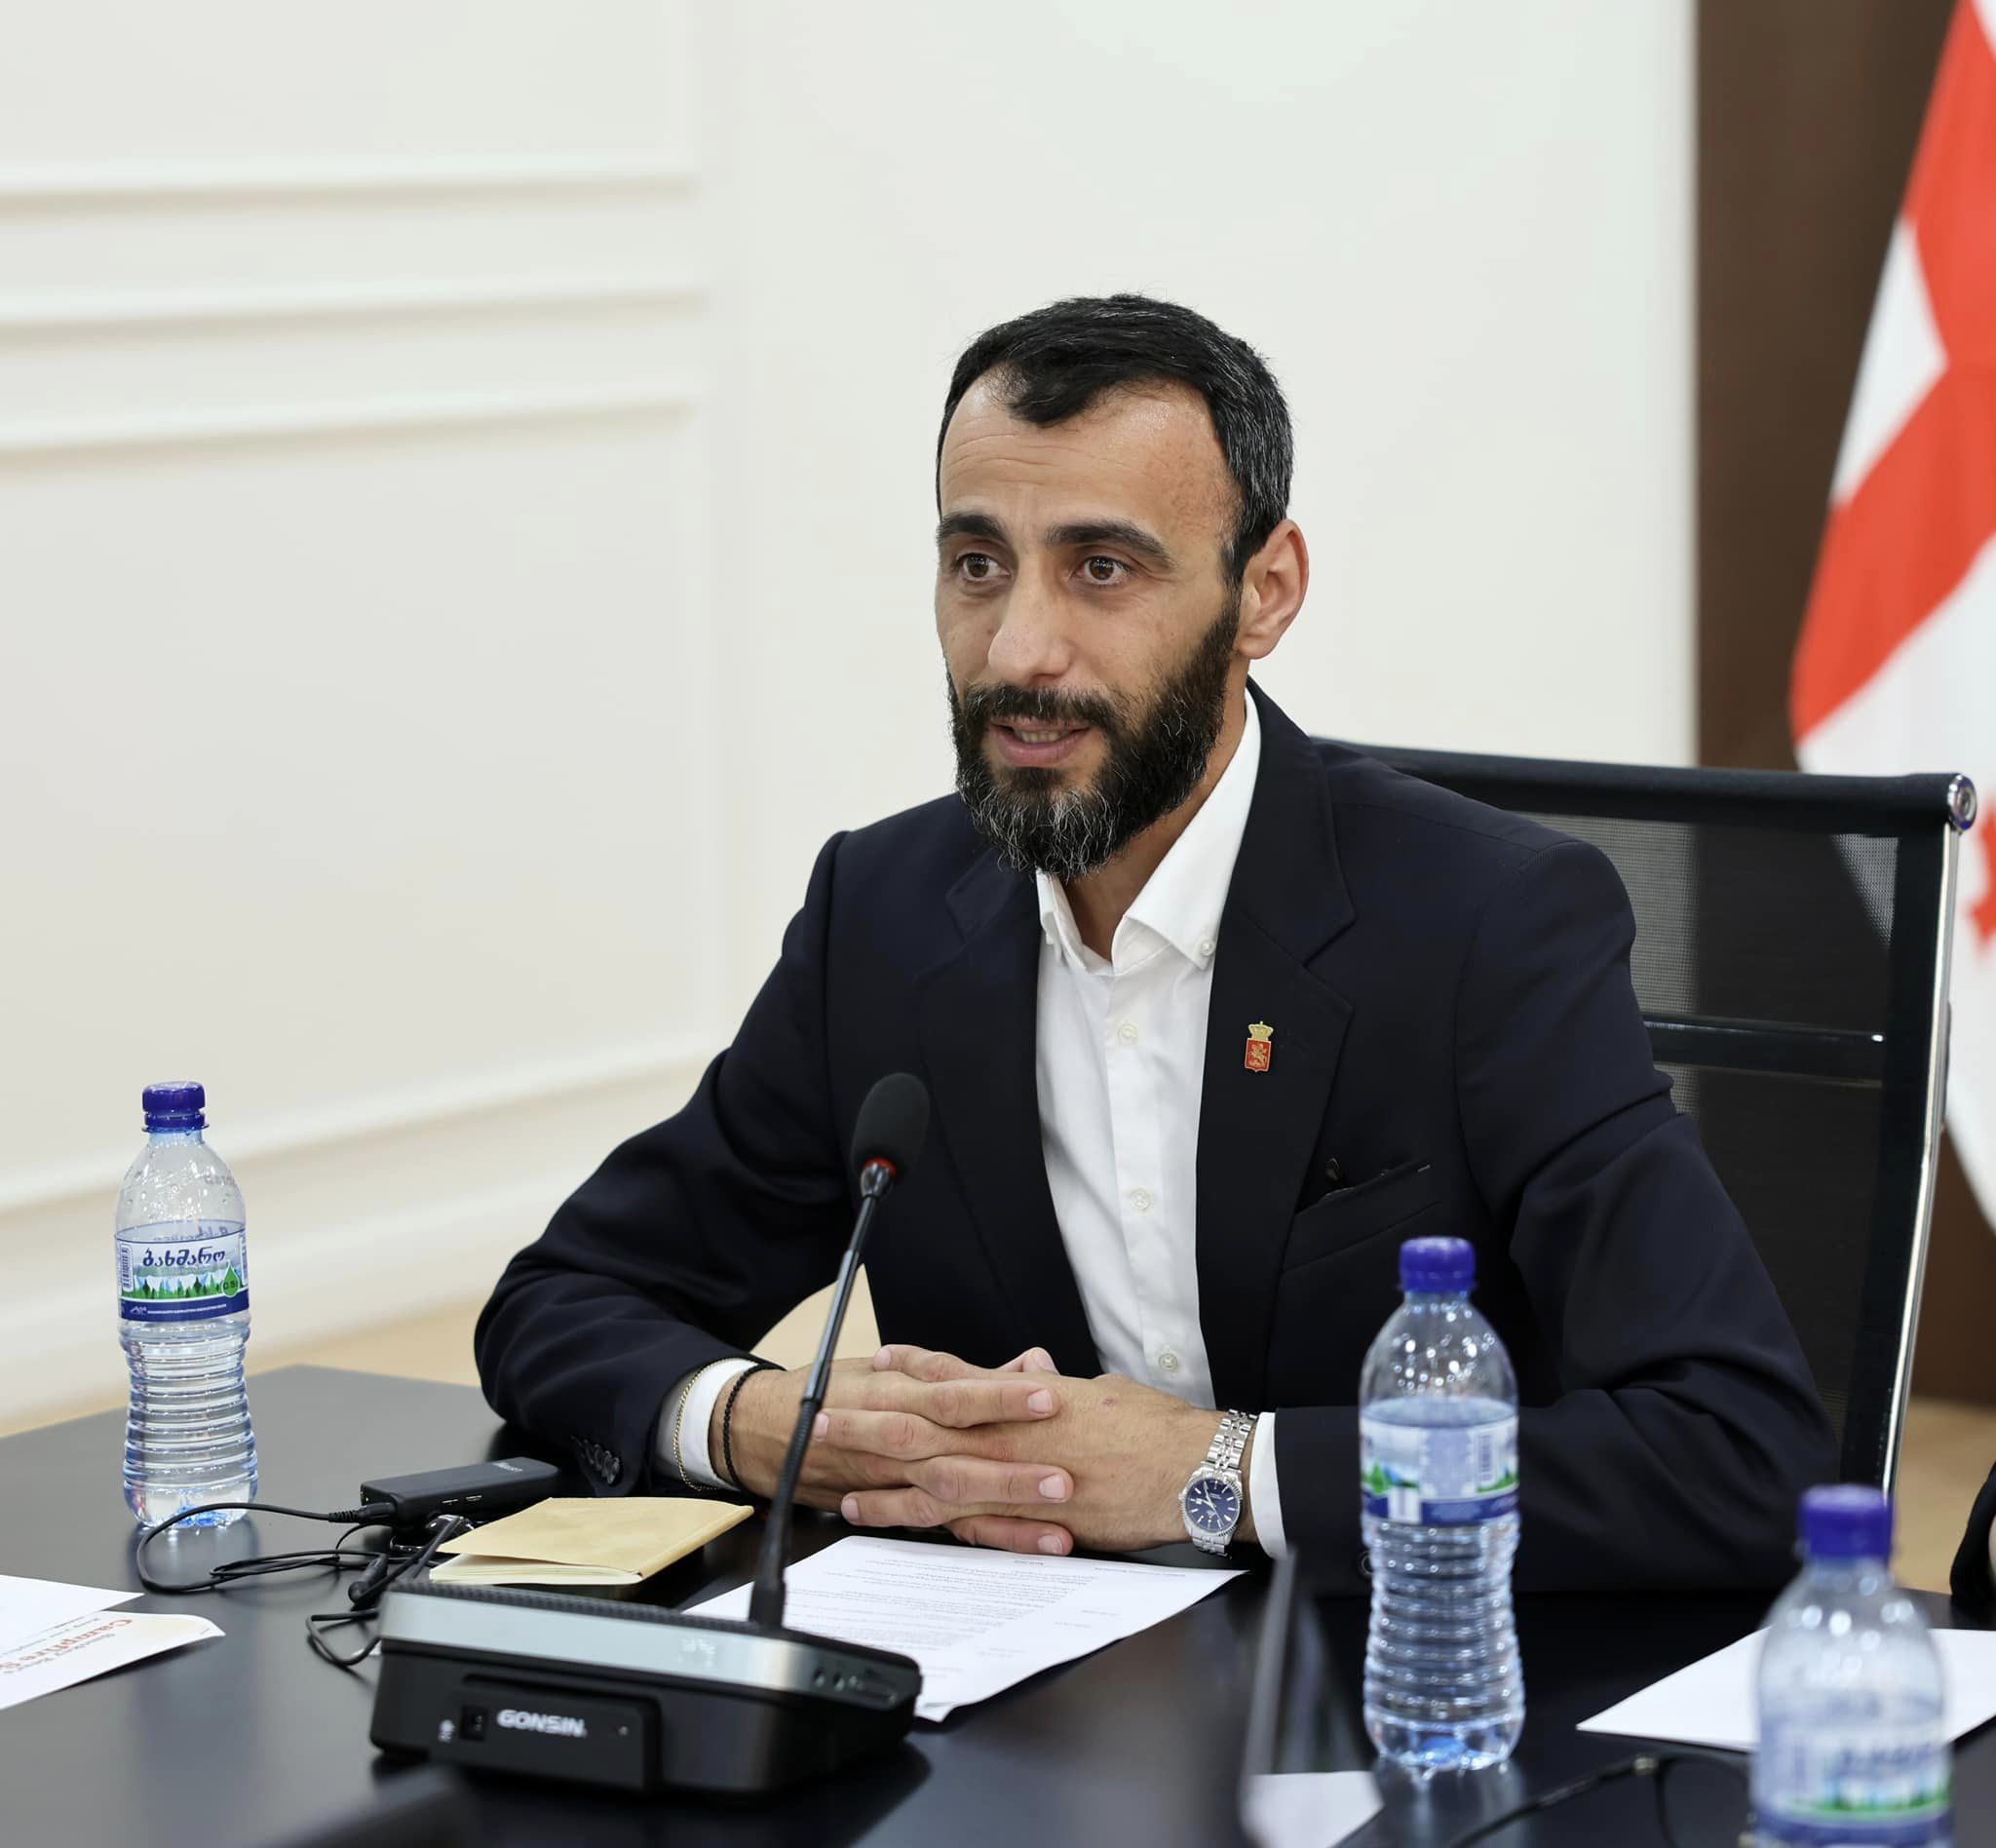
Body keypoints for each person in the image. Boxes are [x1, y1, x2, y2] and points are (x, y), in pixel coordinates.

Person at [476, 293, 1834, 1590]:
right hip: (1002, 1690)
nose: (1021, 649)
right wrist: (754, 1423)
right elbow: (565, 1300)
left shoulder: (1489, 924)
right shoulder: (880, 914)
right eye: (977, 565)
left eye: (1103, 568)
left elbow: (1738, 1451)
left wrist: (1218, 1473)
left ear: (1265, 593)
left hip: (1386, 1677)